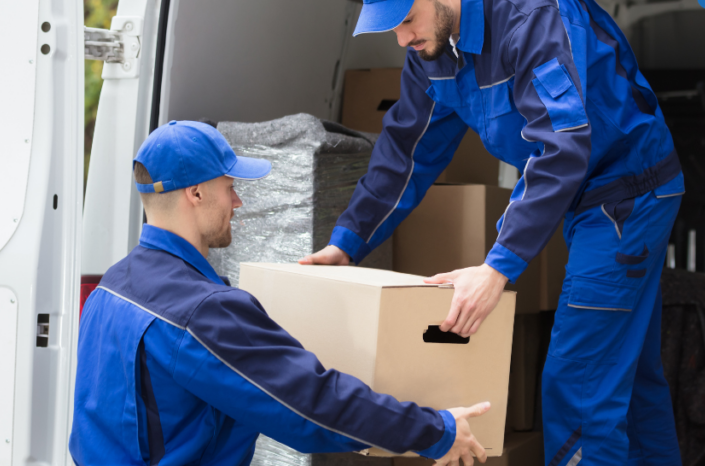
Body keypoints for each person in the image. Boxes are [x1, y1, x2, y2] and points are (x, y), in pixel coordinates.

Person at [300, 0, 685, 465]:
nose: (402, 39)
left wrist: (497, 267)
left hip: (627, 195)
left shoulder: (531, 21)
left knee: (578, 382)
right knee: (631, 380)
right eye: (391, 27)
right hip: (587, 199)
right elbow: (405, 154)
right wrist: (347, 243)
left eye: (406, 20)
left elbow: (561, 147)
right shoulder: (433, 50)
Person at [69, 120, 490, 466]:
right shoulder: (202, 311)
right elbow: (311, 405)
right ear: (195, 193)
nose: (237, 201)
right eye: (229, 186)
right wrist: (436, 430)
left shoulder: (111, 287)